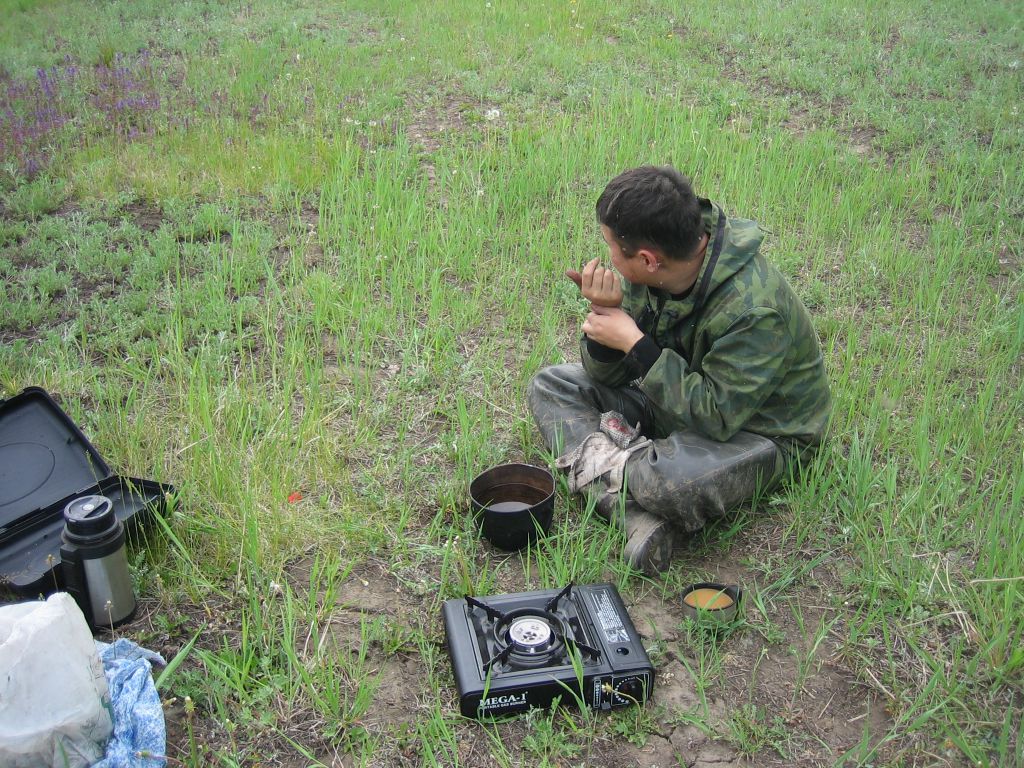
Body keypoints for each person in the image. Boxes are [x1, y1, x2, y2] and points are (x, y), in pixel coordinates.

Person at [528, 165, 832, 575]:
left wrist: (635, 342)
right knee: (552, 385)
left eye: (611, 247)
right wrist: (608, 321)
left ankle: (619, 475)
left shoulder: (755, 310)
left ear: (648, 259)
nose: (608, 258)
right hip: (673, 405)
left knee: (668, 478)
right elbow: (609, 377)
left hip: (761, 433)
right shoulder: (655, 269)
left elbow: (716, 417)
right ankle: (631, 511)